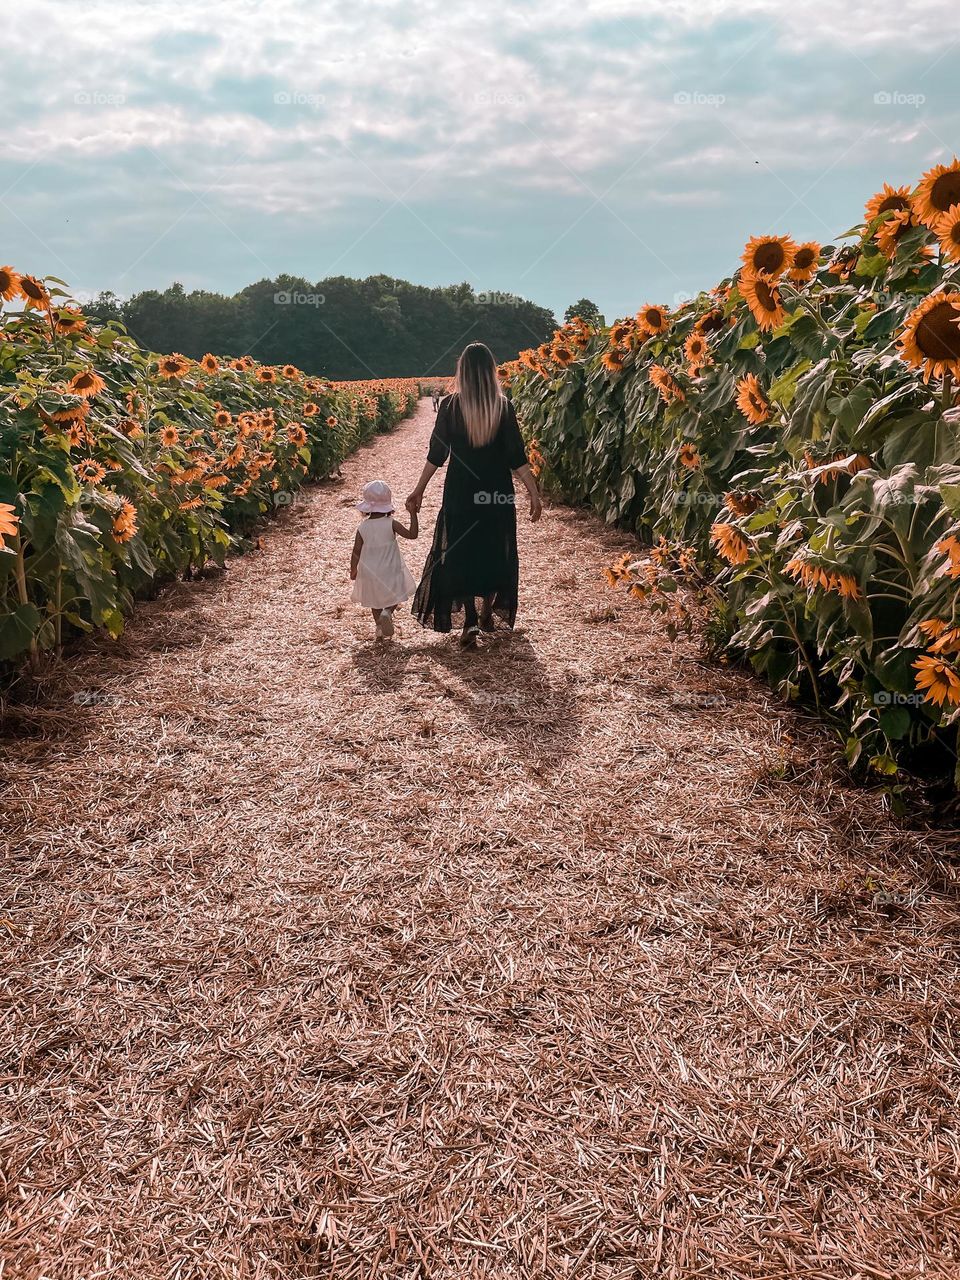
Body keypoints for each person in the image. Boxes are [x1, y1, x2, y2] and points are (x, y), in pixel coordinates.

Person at [406, 342, 542, 649]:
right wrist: (533, 492)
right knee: (495, 546)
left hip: (462, 488)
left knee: (461, 549)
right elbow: (516, 456)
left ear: (462, 371)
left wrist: (419, 489)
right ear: (490, 371)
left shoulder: (452, 406)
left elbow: (436, 454)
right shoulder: (502, 406)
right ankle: (485, 613)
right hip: (496, 489)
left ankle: (469, 621)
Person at [350, 480, 418, 640]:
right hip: (390, 568)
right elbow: (412, 535)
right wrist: (413, 514)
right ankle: (388, 611)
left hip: (369, 570)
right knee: (396, 593)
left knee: (374, 600)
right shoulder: (391, 523)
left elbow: (356, 551)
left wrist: (353, 569)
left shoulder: (362, 528)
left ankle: (379, 627)